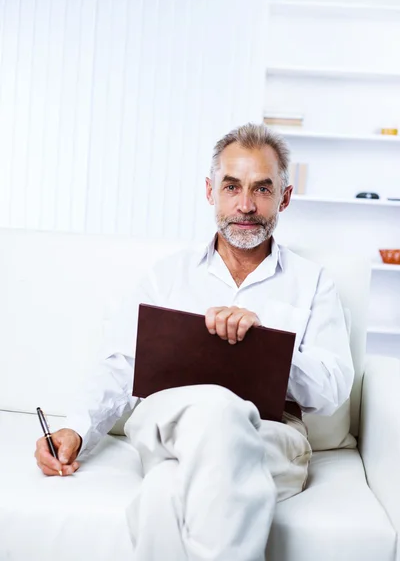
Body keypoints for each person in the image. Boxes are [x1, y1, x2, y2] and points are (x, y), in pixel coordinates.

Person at [34, 123, 353, 561]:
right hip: (170, 425)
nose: (245, 205)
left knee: (166, 491)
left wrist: (265, 347)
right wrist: (75, 429)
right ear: (210, 192)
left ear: (285, 197)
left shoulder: (313, 283)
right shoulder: (166, 276)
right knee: (216, 409)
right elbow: (119, 366)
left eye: (262, 189)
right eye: (231, 187)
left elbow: (334, 387)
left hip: (272, 433)